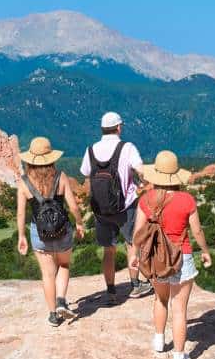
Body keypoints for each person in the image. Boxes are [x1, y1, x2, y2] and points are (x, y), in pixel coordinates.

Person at [132, 150, 212, 359]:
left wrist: (134, 257)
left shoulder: (145, 199)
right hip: (182, 257)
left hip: (155, 258)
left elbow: (137, 232)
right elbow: (196, 231)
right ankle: (179, 357)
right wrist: (205, 251)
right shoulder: (186, 199)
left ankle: (159, 341)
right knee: (180, 309)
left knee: (160, 299)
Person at [16, 136, 86, 326]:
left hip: (39, 234)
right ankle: (62, 300)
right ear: (51, 158)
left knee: (48, 274)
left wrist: (21, 236)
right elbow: (73, 206)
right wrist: (79, 223)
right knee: (63, 266)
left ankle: (53, 315)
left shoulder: (23, 183)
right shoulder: (61, 177)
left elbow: (21, 213)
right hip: (63, 231)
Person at [80, 111, 149, 304]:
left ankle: (111, 291)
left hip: (100, 208)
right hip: (125, 206)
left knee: (108, 250)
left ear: (102, 129)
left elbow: (85, 172)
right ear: (118, 127)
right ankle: (136, 285)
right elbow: (140, 169)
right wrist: (143, 183)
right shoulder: (126, 147)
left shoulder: (91, 149)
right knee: (132, 244)